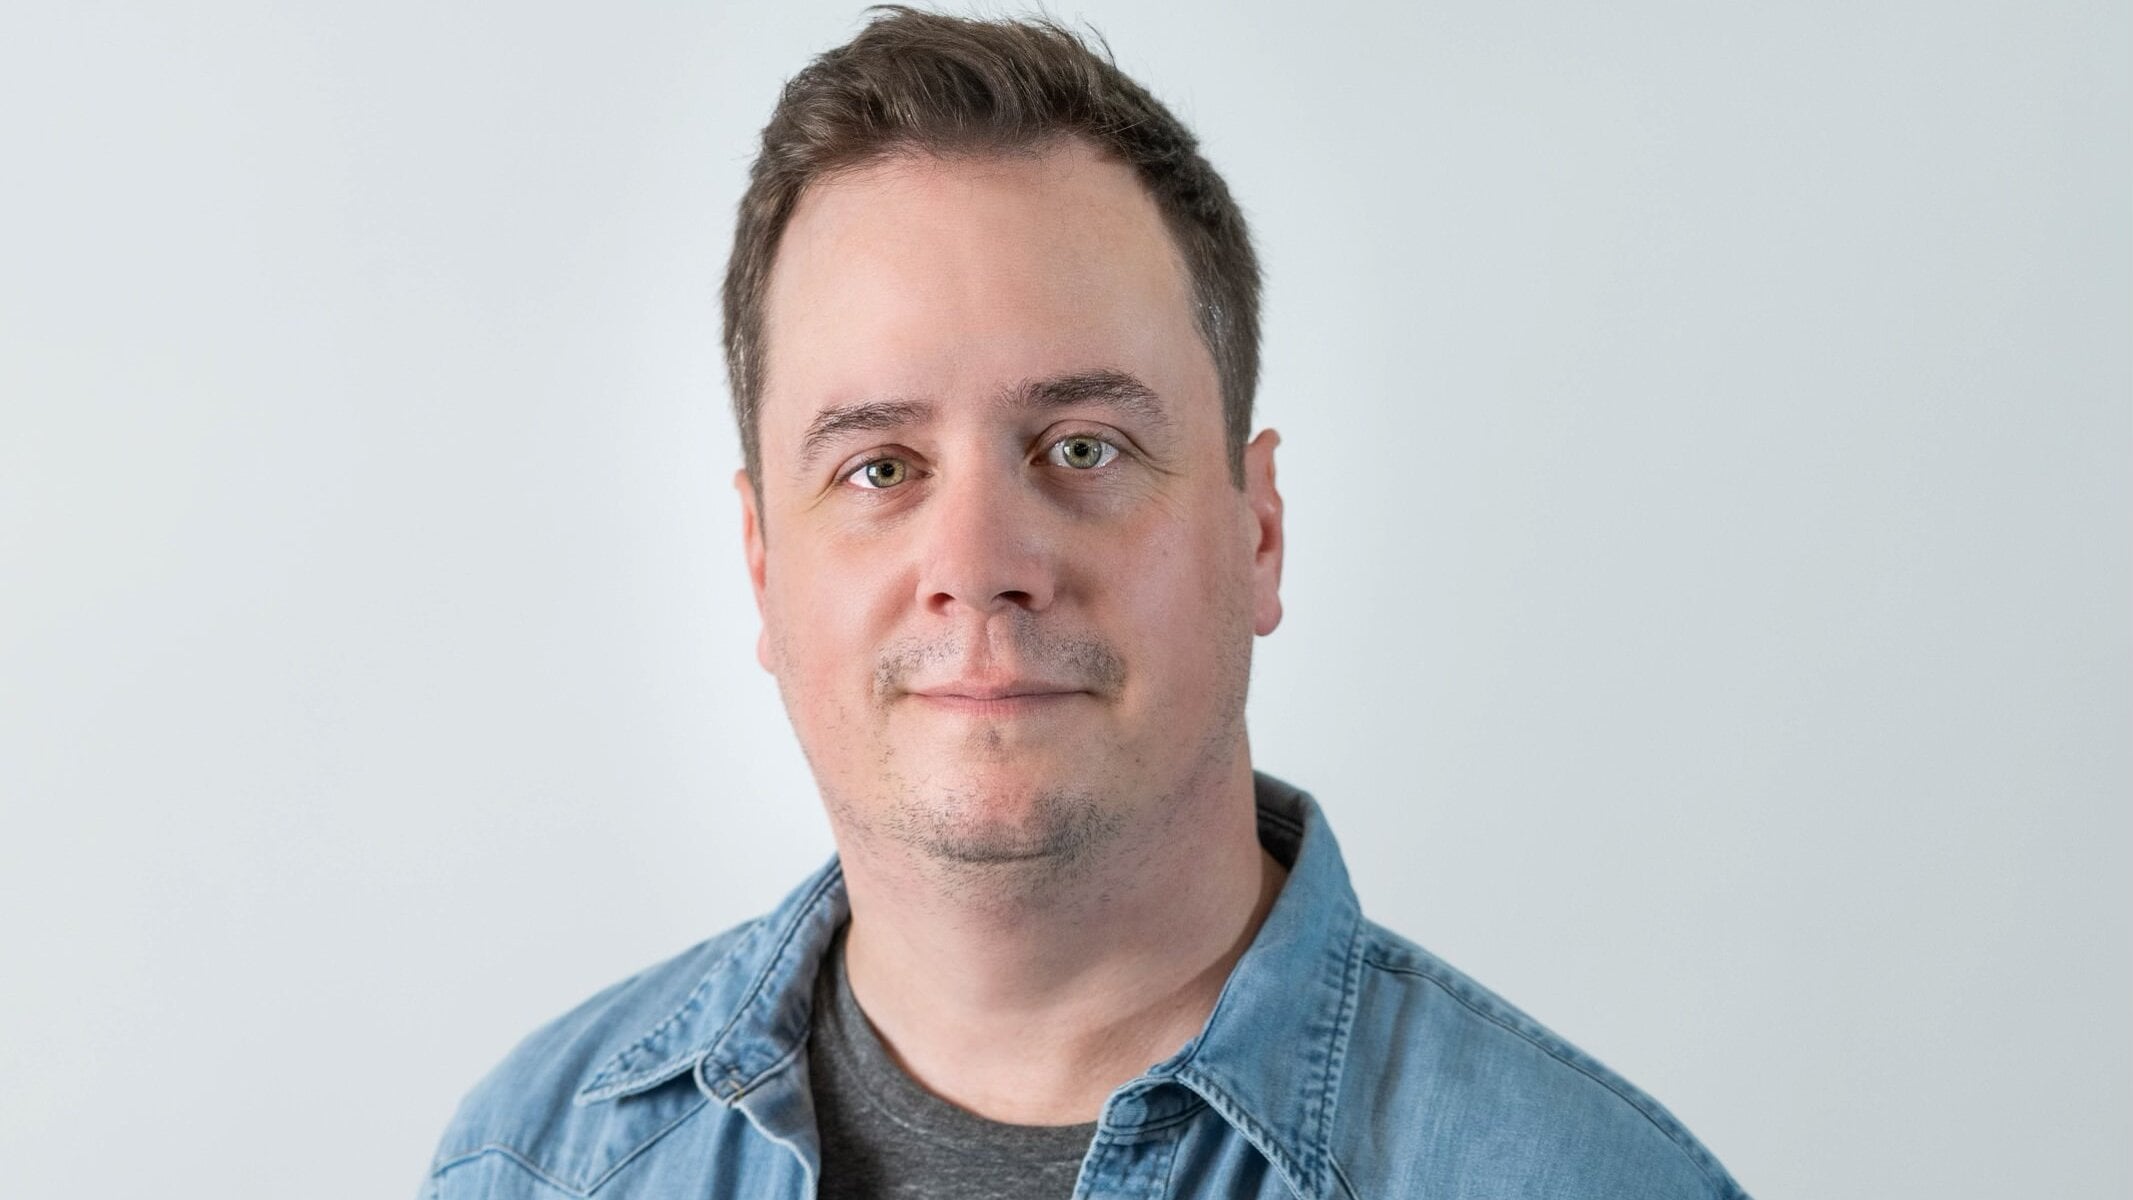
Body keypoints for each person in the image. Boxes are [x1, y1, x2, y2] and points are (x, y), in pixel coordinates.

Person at [422, 9, 1750, 1198]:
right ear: (764, 566)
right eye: (879, 467)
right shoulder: (535, 1165)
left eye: (1081, 448)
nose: (980, 561)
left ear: (1258, 532)